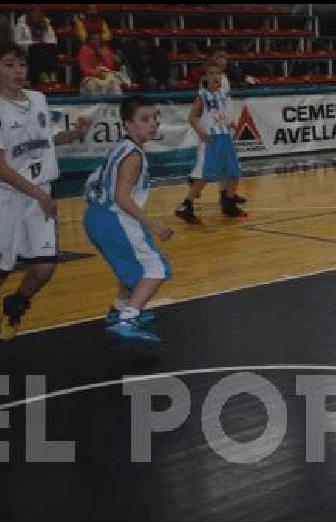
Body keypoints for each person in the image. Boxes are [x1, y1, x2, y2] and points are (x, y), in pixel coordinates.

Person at [0, 41, 90, 372]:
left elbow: (46, 138)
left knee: (45, 266)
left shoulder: (39, 100)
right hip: (10, 199)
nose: (18, 71)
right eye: (8, 65)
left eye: (21, 65)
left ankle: (16, 305)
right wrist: (39, 195)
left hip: (39, 193)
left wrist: (73, 135)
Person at [83, 96, 173, 343]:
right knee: (156, 268)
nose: (153, 123)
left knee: (131, 271)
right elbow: (122, 197)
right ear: (128, 124)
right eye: (145, 119)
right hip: (115, 218)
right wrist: (151, 222)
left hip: (96, 216)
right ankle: (128, 319)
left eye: (155, 118)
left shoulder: (121, 147)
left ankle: (119, 309)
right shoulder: (133, 156)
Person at [174, 60, 248, 225]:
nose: (216, 77)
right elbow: (192, 117)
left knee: (234, 172)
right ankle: (185, 205)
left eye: (218, 74)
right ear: (205, 77)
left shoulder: (223, 94)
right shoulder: (203, 95)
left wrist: (229, 123)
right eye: (211, 74)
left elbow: (221, 114)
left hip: (225, 137)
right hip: (211, 139)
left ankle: (228, 205)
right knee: (205, 176)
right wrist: (201, 131)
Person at [14, 7, 58, 83]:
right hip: (27, 49)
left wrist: (44, 43)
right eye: (34, 15)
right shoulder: (21, 25)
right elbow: (16, 41)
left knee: (51, 47)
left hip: (43, 48)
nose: (36, 18)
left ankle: (52, 74)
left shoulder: (46, 23)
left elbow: (53, 40)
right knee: (36, 48)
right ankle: (42, 74)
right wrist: (31, 43)